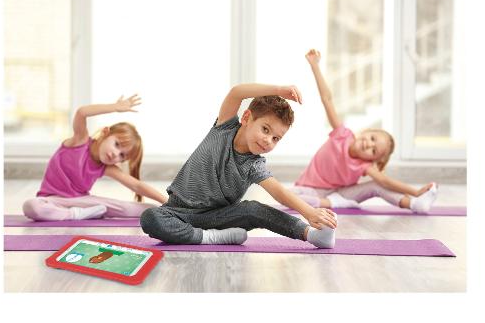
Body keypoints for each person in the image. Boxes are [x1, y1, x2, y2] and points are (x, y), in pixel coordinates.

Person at [140, 83, 338, 248]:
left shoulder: (254, 165)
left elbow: (279, 192)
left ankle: (311, 235)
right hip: (176, 212)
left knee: (253, 209)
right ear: (246, 118)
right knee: (150, 218)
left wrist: (309, 213)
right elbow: (236, 92)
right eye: (265, 129)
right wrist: (278, 90)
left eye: (276, 138)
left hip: (216, 219)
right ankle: (211, 238)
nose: (268, 140)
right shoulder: (224, 127)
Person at [289, 49, 438, 213]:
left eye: (373, 151)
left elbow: (385, 181)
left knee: (375, 185)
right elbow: (327, 99)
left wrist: (416, 193)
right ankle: (329, 203)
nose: (369, 145)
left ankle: (415, 204)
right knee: (289, 197)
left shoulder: (363, 166)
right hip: (309, 190)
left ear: (373, 160)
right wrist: (315, 66)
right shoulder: (342, 134)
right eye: (372, 138)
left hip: (340, 195)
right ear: (366, 132)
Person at [22, 95, 167, 221]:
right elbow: (81, 113)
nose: (115, 154)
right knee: (31, 206)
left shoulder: (106, 167)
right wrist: (115, 107)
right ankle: (74, 214)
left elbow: (136, 185)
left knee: (126, 208)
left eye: (122, 156)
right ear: (105, 132)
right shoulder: (80, 141)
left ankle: (166, 211)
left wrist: (166, 202)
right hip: (52, 200)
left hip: (82, 202)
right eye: (116, 144)